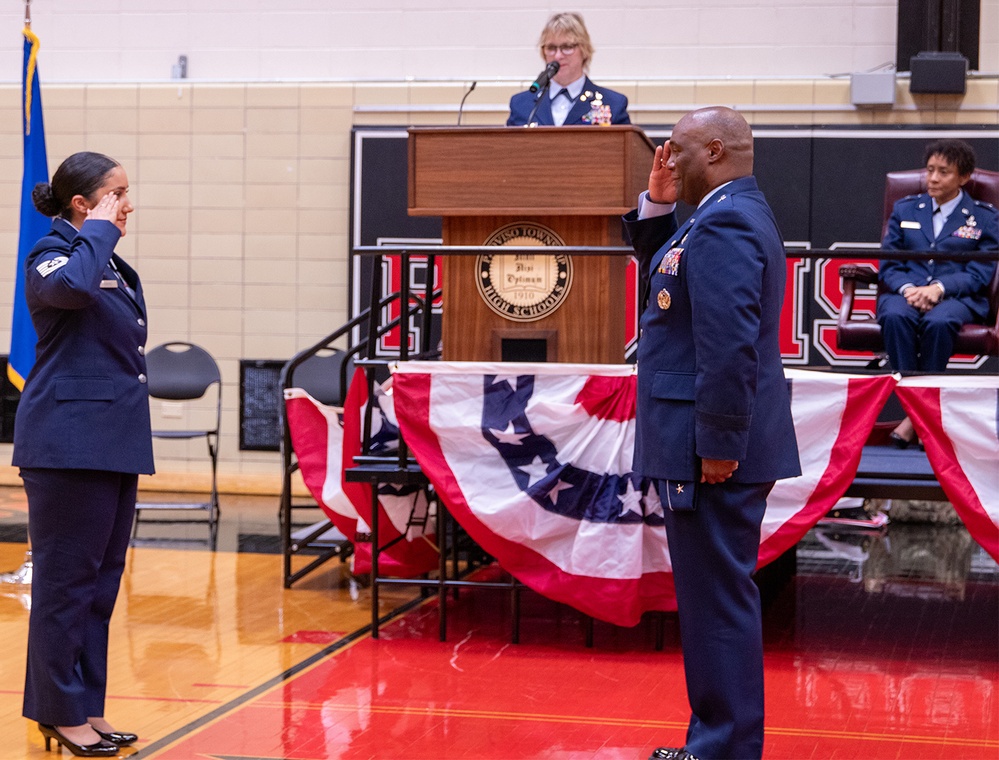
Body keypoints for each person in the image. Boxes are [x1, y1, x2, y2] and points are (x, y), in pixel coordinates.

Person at [623, 107, 801, 760]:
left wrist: (719, 445)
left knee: (717, 607)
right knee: (707, 606)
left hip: (709, 452)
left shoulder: (726, 220)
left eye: (677, 149)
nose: (667, 158)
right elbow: (668, 291)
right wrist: (656, 208)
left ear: (715, 150)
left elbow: (727, 348)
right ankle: (714, 744)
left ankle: (722, 750)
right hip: (702, 445)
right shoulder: (716, 215)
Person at [14, 151, 153, 757]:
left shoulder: (109, 263)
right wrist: (98, 228)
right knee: (65, 587)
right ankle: (56, 712)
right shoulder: (51, 253)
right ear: (83, 203)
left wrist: (101, 234)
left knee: (99, 587)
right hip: (68, 445)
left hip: (110, 443)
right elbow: (69, 291)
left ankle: (84, 708)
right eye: (117, 193)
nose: (128, 203)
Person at [877, 138, 998, 447]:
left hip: (957, 299)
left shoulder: (984, 217)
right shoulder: (906, 208)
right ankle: (921, 416)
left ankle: (911, 418)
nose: (933, 178)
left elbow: (981, 272)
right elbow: (889, 264)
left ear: (964, 177)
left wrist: (939, 289)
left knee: (940, 322)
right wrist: (909, 290)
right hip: (906, 294)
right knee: (893, 315)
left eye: (943, 172)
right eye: (930, 169)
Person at [507, 12, 630, 127]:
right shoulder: (521, 105)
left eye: (567, 47)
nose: (558, 56)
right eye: (551, 48)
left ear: (584, 50)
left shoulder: (613, 104)